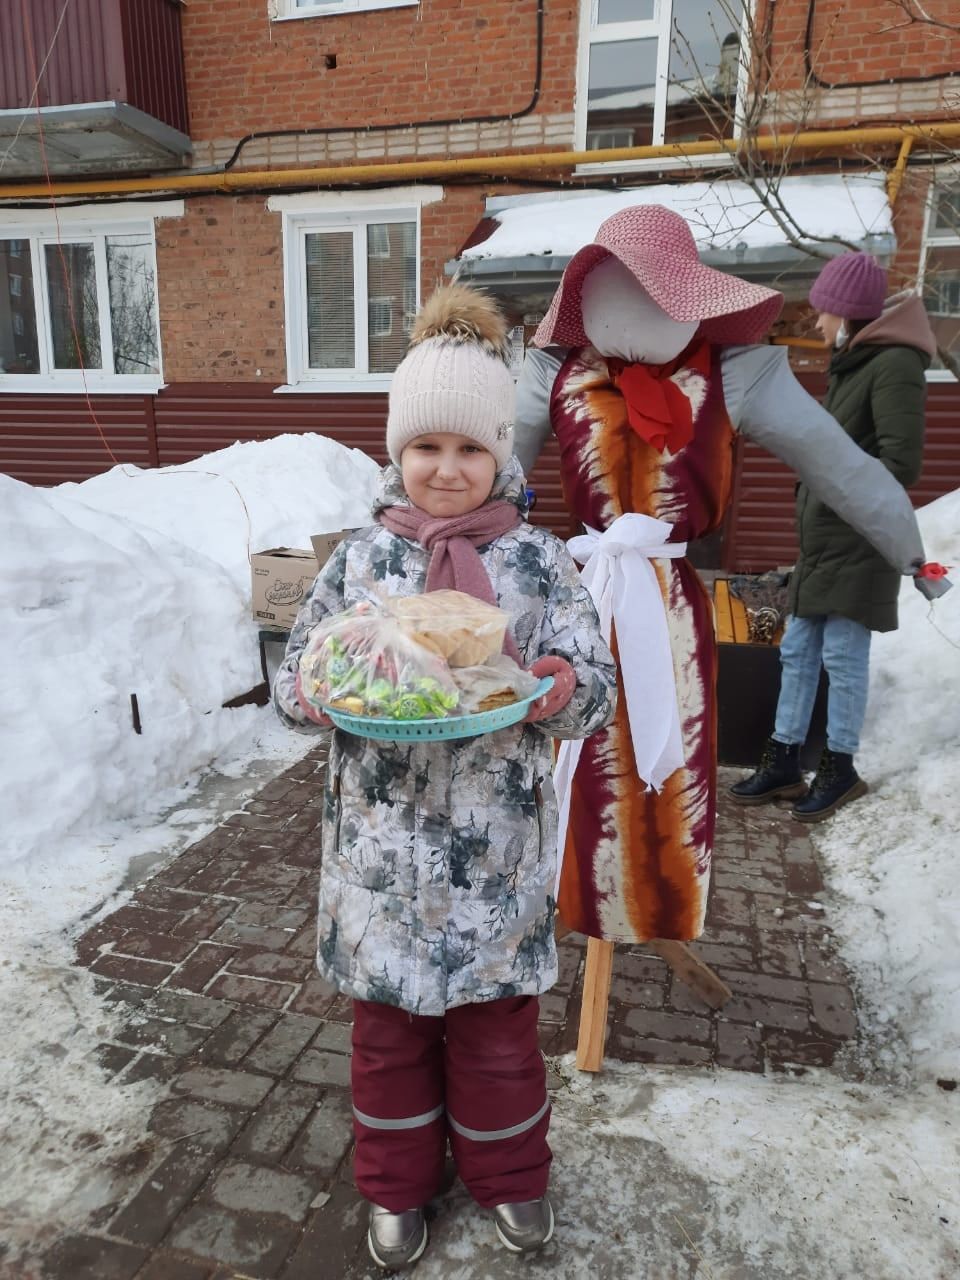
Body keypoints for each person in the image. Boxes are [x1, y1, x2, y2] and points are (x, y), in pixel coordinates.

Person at [274, 283, 617, 1270]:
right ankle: (397, 1187)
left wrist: (556, 685)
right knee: (385, 1036)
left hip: (494, 860)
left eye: (472, 448)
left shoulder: (540, 563)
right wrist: (316, 681)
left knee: (497, 1036)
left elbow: (592, 684)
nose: (449, 469)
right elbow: (302, 673)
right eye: (427, 446)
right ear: (397, 451)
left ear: (502, 451)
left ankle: (512, 1178)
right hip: (379, 859)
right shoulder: (361, 561)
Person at [513, 205, 928, 947]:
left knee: (662, 756)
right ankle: (572, 901)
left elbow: (845, 470)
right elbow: (485, 470)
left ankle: (650, 908)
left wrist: (912, 557)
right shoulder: (553, 371)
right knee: (578, 756)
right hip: (585, 602)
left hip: (666, 605)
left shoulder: (735, 374)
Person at [730, 252, 936, 820]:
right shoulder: (854, 362)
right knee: (797, 653)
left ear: (848, 312)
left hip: (861, 537)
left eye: (823, 312)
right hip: (825, 538)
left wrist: (845, 492)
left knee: (844, 658)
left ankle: (840, 768)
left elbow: (901, 463)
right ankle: (783, 761)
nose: (817, 324)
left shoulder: (893, 363)